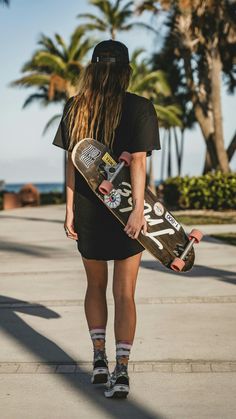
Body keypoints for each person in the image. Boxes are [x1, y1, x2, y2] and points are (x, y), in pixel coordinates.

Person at [52, 39, 161, 399]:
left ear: (93, 69)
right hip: (126, 209)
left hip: (88, 209)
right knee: (124, 293)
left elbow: (72, 162)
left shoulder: (75, 107)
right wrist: (137, 211)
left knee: (95, 287)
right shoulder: (141, 107)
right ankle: (122, 370)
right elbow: (140, 164)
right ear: (126, 72)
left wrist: (69, 209)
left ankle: (98, 361)